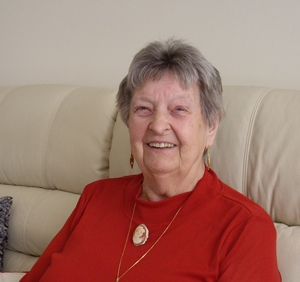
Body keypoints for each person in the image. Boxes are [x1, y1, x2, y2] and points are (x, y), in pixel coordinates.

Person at [20, 39, 281, 281]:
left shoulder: (244, 227)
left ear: (211, 127)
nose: (158, 125)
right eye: (143, 109)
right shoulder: (95, 197)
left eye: (179, 110)